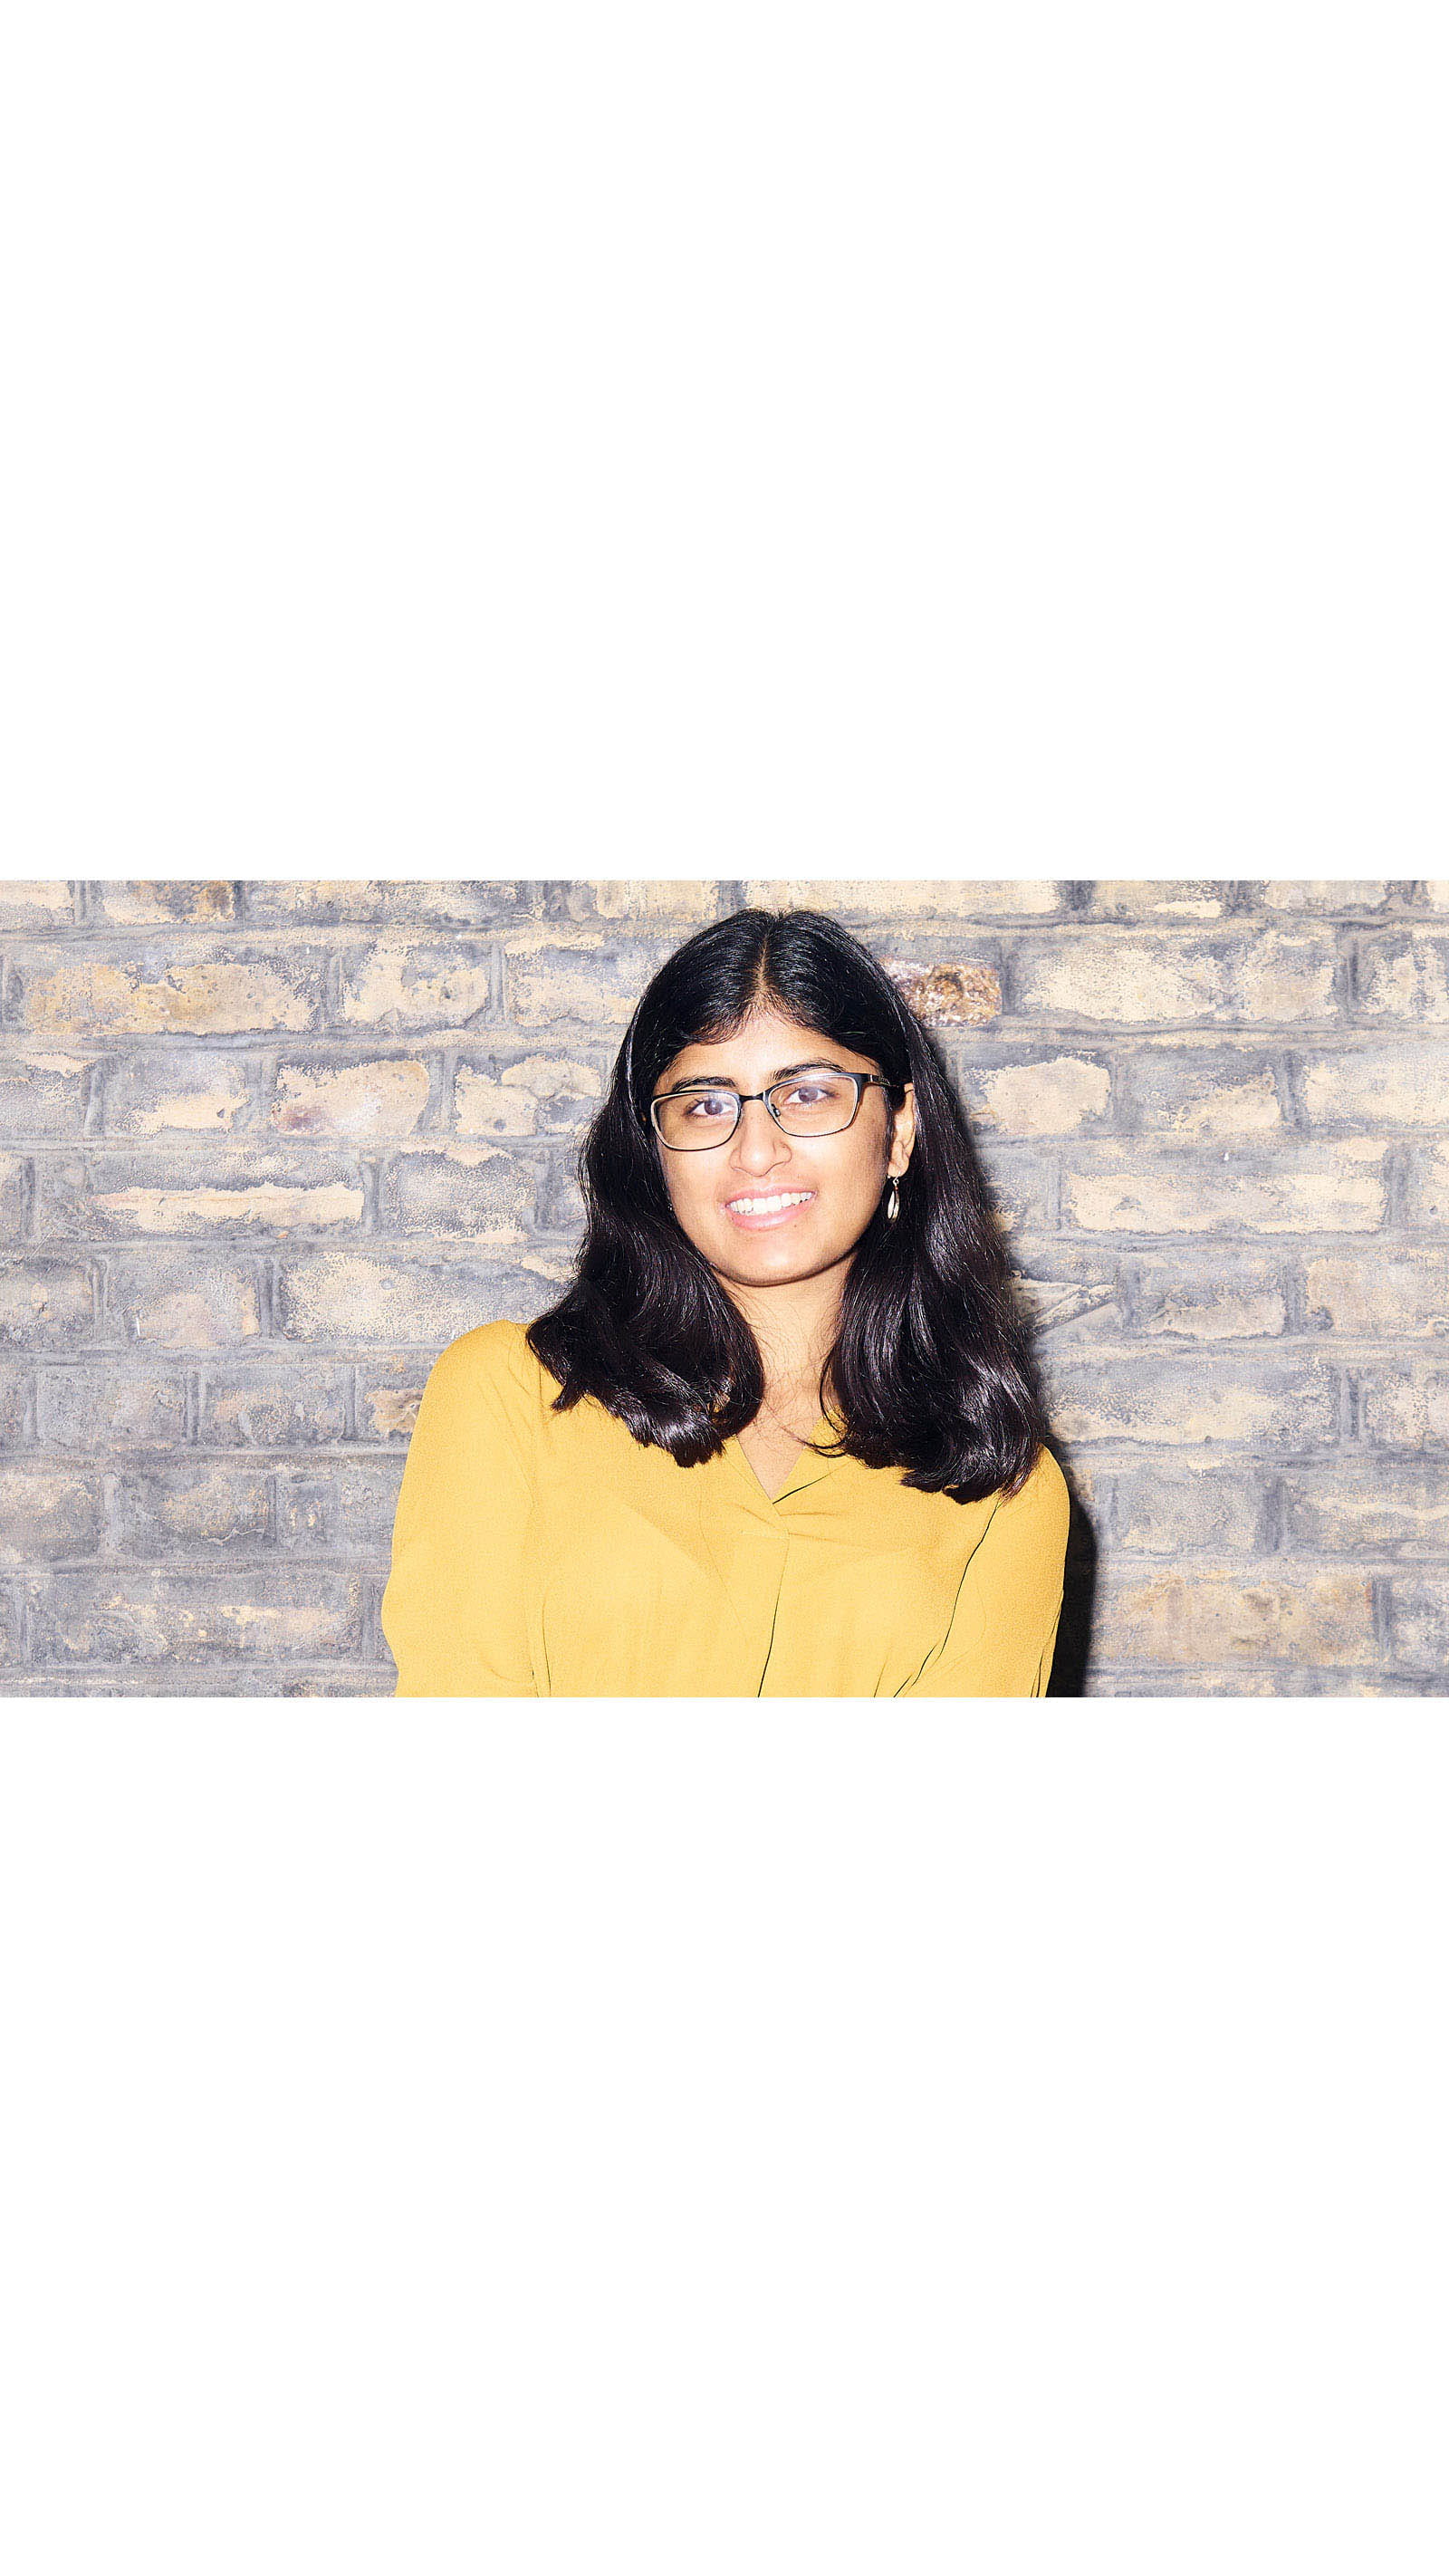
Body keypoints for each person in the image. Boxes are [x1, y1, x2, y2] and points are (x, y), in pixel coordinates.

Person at [381, 906, 1070, 1696]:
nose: (757, 1151)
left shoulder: (999, 1484)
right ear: (655, 1149)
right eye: (706, 1105)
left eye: (808, 1094)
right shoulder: (512, 1394)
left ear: (900, 1131)